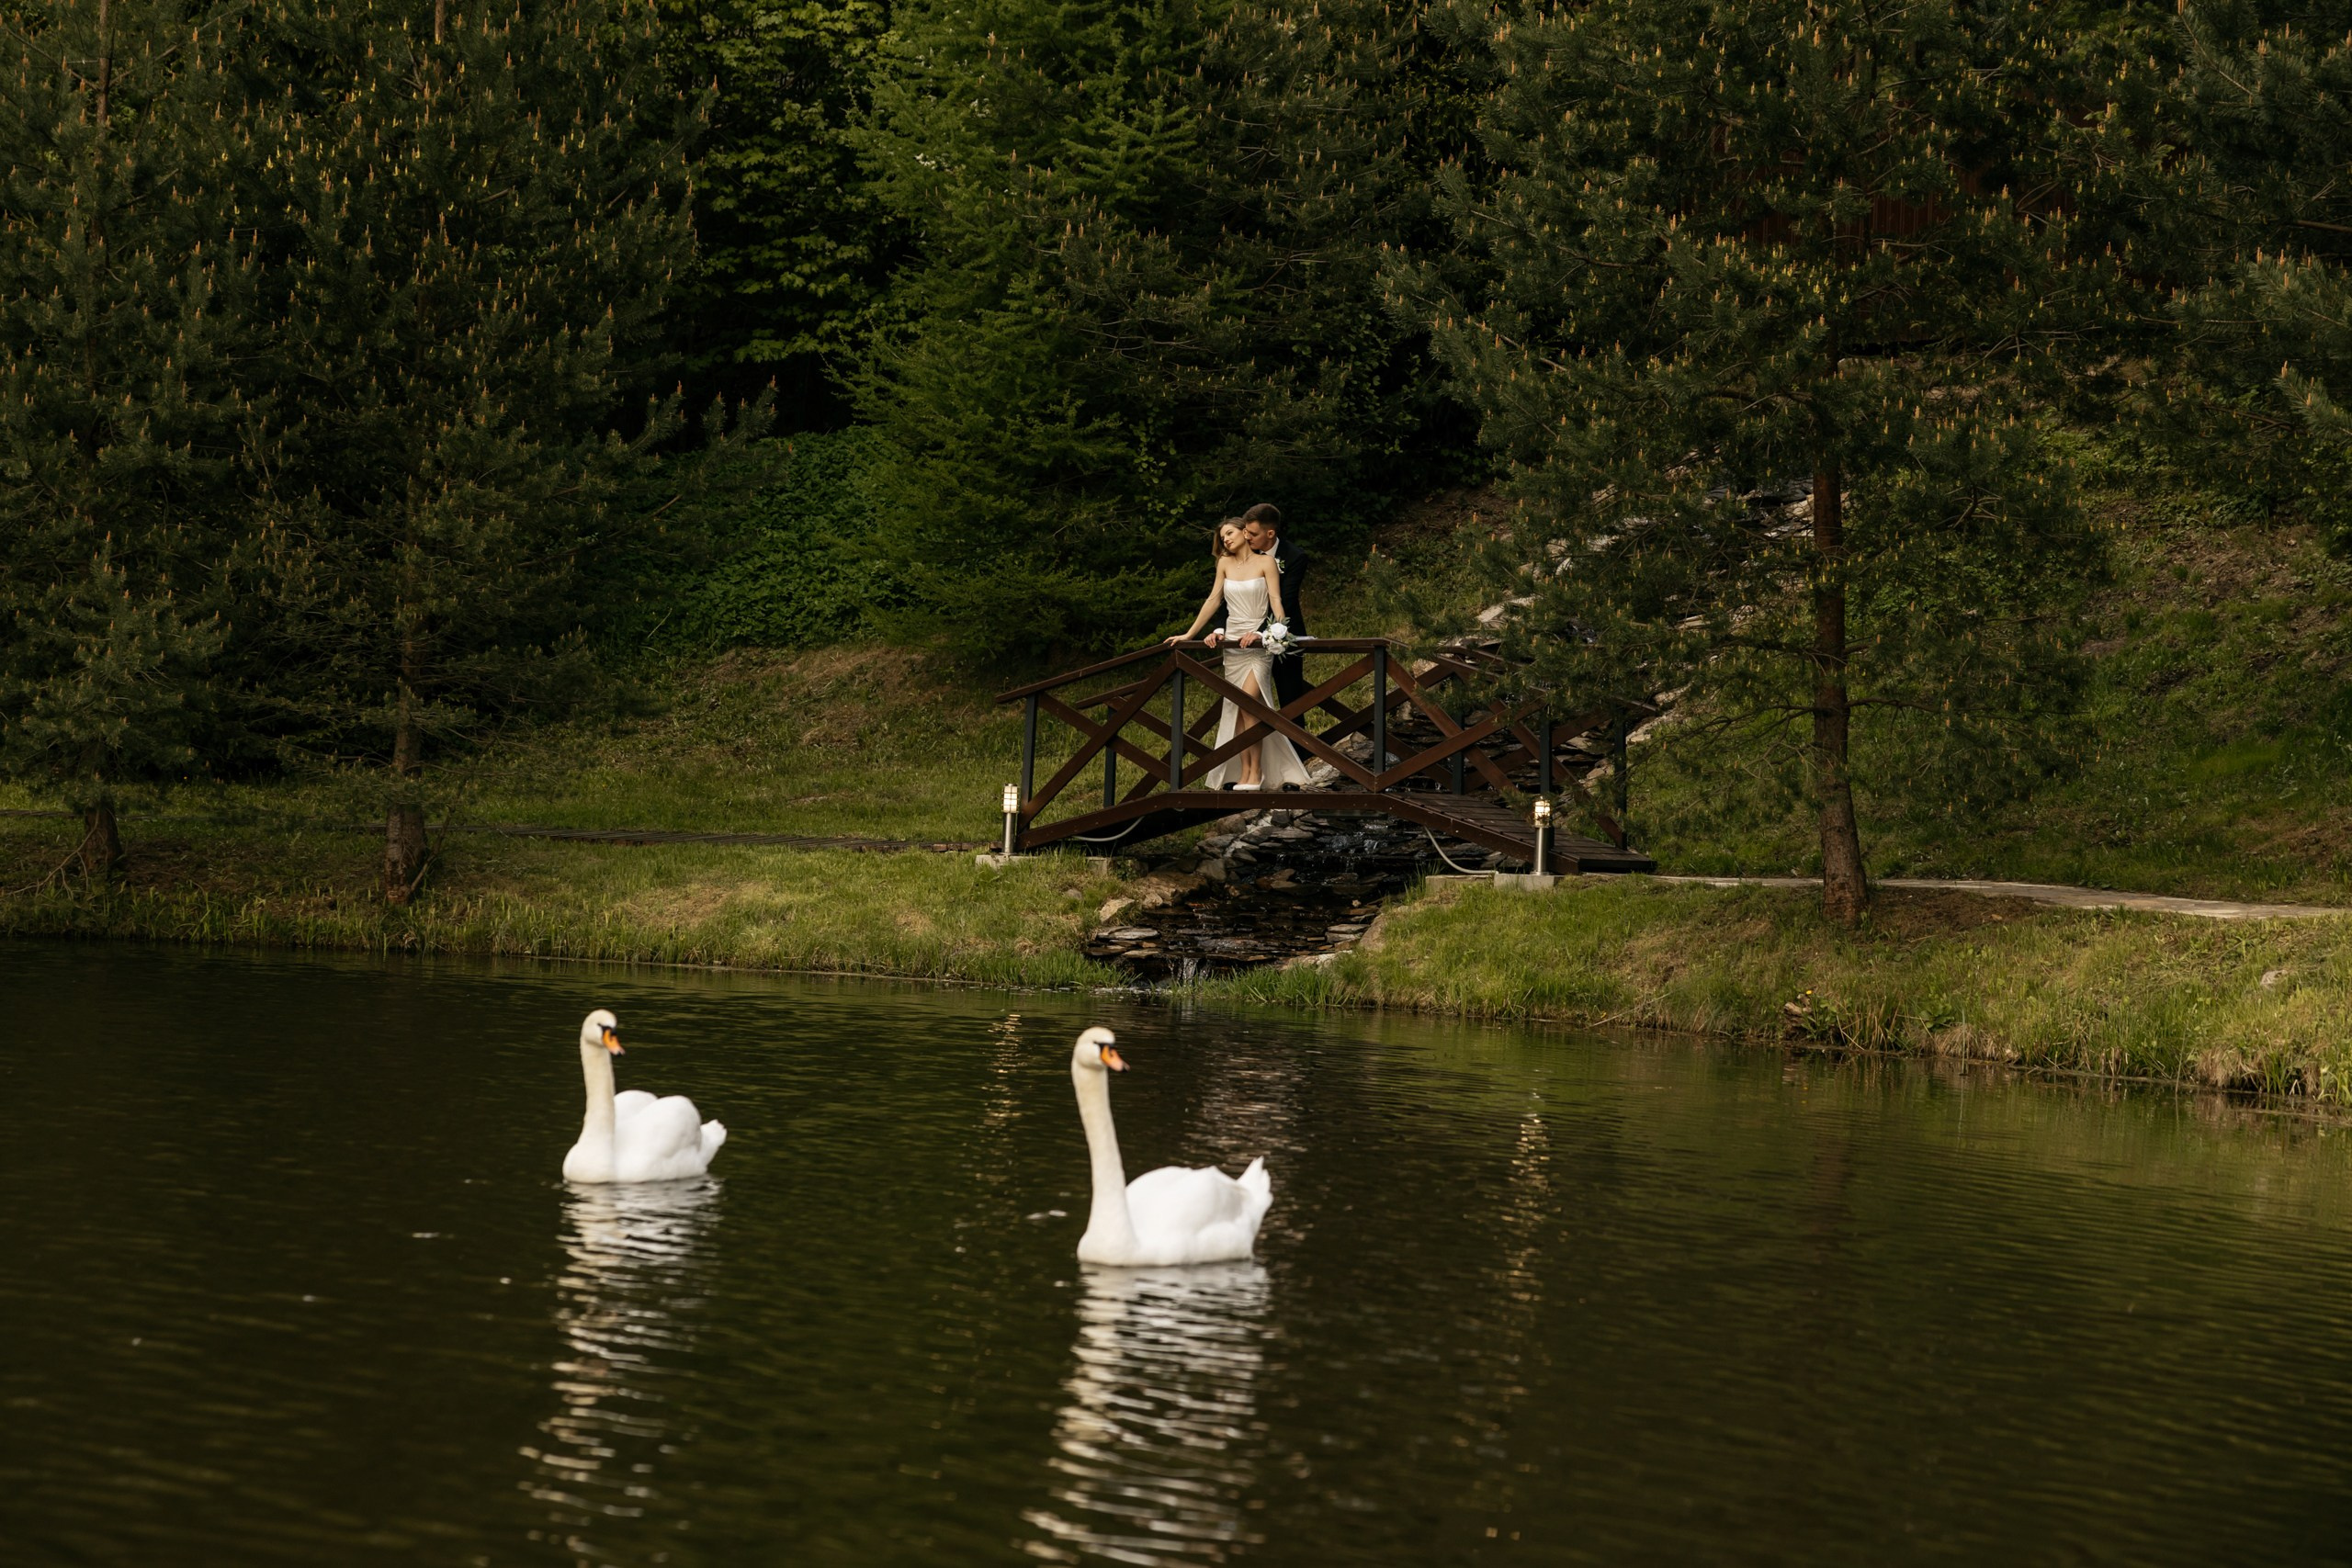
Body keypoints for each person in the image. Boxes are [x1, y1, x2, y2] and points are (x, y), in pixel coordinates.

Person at [1166, 521, 1312, 791]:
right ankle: (1244, 773)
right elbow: (1213, 600)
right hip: (1233, 642)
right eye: (1222, 537)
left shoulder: (1267, 562)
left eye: (1229, 533)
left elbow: (1276, 601)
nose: (1226, 540)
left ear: (1245, 532)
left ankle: (1256, 773)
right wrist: (1190, 634)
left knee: (1249, 703)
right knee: (1237, 708)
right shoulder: (1224, 563)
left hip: (1257, 643)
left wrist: (1272, 630)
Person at [1240, 504, 1308, 710]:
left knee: (1292, 702)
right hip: (1245, 637)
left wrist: (1262, 632)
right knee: (1248, 701)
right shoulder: (1242, 554)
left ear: (1270, 533)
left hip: (1283, 635)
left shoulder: (1295, 556)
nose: (1247, 538)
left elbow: (1285, 599)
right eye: (1245, 532)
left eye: (1252, 533)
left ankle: (1296, 743)